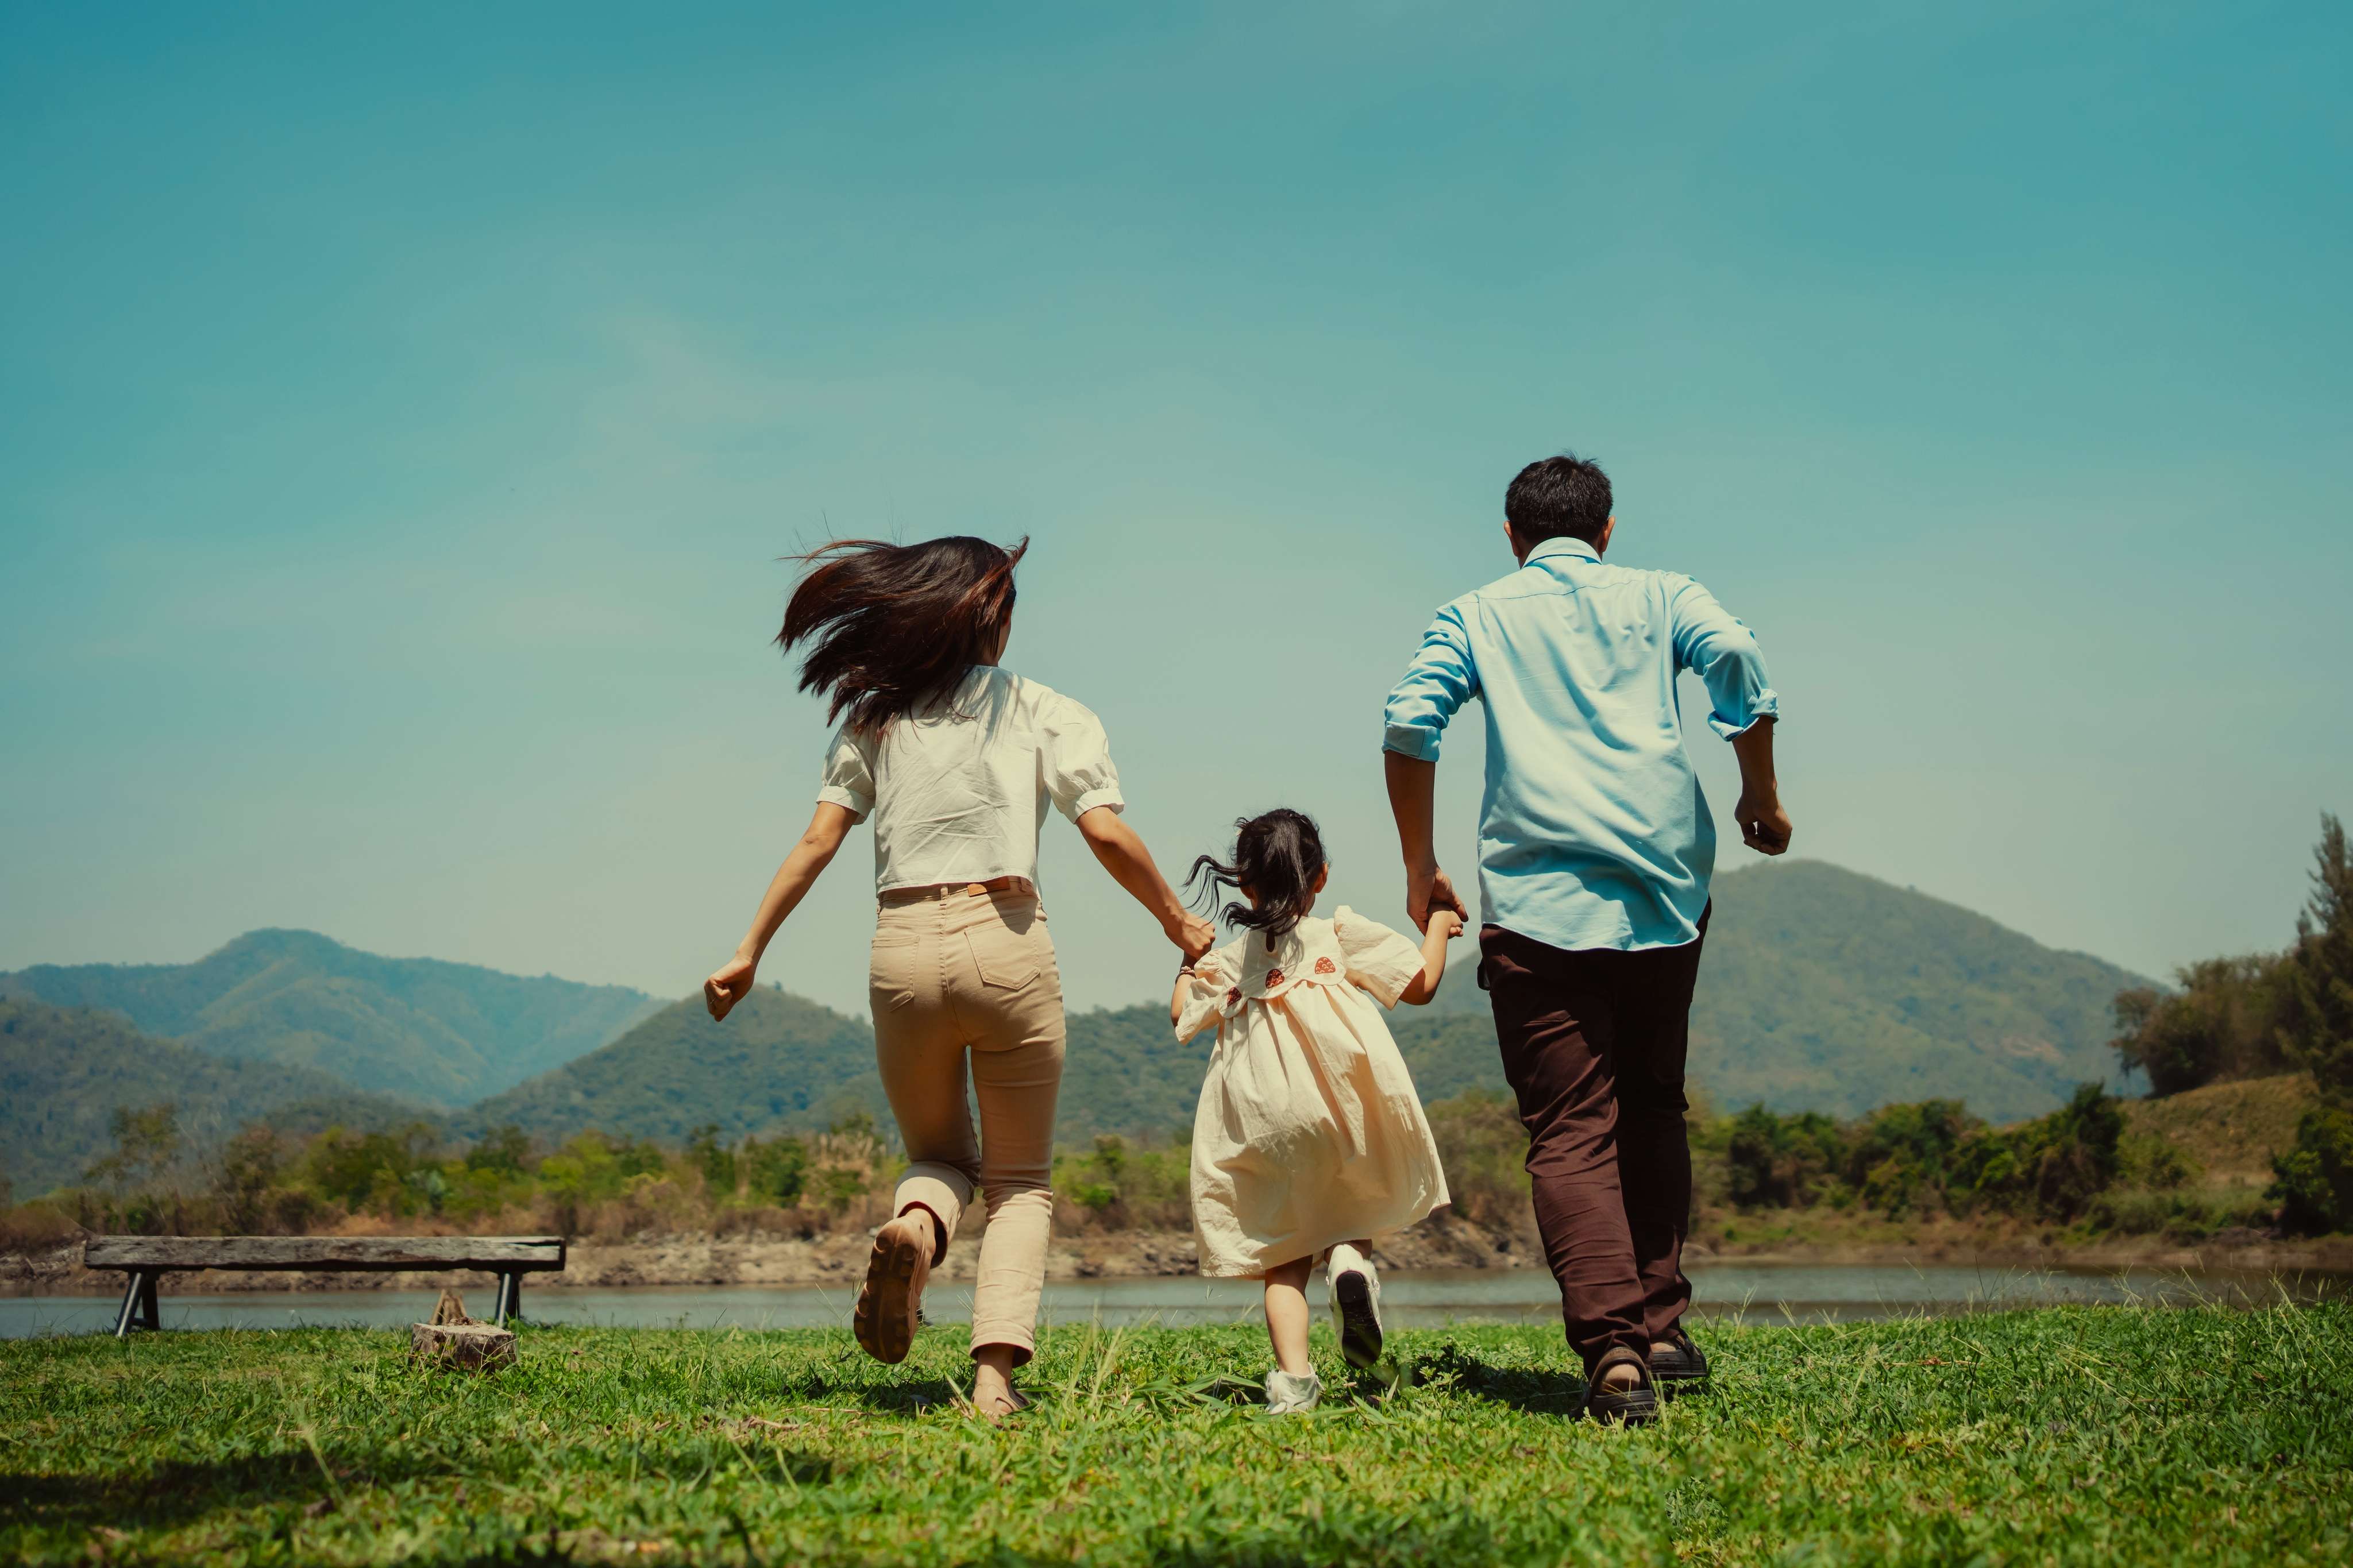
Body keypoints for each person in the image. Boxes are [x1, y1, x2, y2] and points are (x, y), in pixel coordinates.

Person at [703, 535, 1213, 1419]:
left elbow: (818, 840)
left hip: (900, 947)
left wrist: (749, 948)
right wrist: (1179, 921)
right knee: (1020, 1182)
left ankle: (916, 1225)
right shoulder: (1045, 708)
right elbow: (1103, 830)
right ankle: (993, 1383)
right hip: (1006, 938)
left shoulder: (875, 717)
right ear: (989, 616)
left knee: (940, 1158)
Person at [1381, 453, 1790, 1425]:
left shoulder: (1475, 614)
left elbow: (1409, 719)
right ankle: (1661, 1329)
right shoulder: (1665, 594)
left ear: (1512, 538)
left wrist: (1420, 866)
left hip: (1537, 903)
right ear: (1606, 531)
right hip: (1664, 892)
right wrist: (1759, 792)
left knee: (1571, 1127)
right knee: (1652, 1105)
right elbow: (1736, 652)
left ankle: (1615, 1355)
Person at [1171, 808, 1457, 1414]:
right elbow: (1422, 983)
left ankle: (1295, 1383)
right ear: (1321, 876)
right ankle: (1350, 1264)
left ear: (1244, 884)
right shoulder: (1339, 934)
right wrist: (1438, 921)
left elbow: (1181, 1015)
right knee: (1348, 1219)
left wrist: (1187, 960)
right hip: (1341, 1102)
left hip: (1264, 1119)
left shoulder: (1232, 961)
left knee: (1283, 1261)